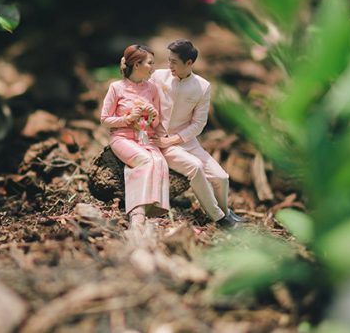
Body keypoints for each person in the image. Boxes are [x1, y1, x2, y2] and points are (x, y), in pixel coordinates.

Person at [150, 39, 245, 228]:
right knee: (195, 167)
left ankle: (226, 211)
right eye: (169, 60)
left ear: (189, 63)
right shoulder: (158, 77)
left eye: (174, 62)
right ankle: (220, 218)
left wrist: (176, 140)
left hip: (186, 141)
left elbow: (199, 123)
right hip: (160, 140)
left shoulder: (202, 86)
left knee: (221, 177)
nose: (170, 66)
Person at [100, 44, 169, 231]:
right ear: (137, 65)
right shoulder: (116, 88)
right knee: (145, 161)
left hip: (145, 137)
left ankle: (152, 210)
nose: (153, 67)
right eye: (150, 63)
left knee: (159, 161)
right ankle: (136, 213)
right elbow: (105, 120)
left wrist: (153, 115)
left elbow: (156, 123)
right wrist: (128, 119)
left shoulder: (152, 89)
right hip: (122, 137)